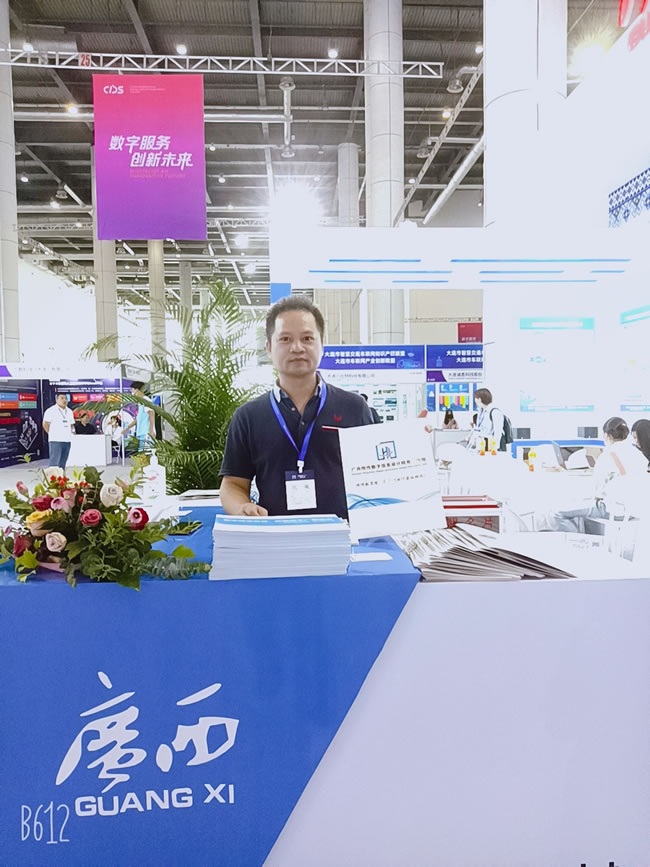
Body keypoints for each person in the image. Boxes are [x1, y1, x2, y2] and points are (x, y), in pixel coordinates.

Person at [220, 296, 374, 518]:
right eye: (285, 339)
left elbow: (377, 474)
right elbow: (233, 483)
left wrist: (412, 441)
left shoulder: (354, 407)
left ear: (322, 345)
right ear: (269, 348)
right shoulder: (248, 416)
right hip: (274, 534)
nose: (297, 347)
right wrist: (241, 507)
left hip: (341, 534)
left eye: (307, 338)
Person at [546, 417, 649, 533]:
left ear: (606, 435)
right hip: (634, 510)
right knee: (585, 510)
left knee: (558, 512)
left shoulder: (608, 455)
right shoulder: (639, 455)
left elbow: (596, 492)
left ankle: (578, 541)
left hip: (612, 510)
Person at [42, 393, 75, 469]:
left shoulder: (69, 411)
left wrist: (73, 432)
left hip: (67, 440)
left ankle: (61, 476)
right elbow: (45, 424)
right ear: (56, 400)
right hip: (55, 440)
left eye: (66, 398)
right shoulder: (51, 410)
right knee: (54, 462)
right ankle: (53, 476)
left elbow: (71, 424)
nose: (64, 400)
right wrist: (50, 433)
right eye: (62, 398)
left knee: (63, 462)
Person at [121, 382, 155, 452]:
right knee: (142, 454)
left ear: (137, 390)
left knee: (146, 454)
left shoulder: (146, 400)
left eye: (132, 391)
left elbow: (151, 414)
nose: (132, 393)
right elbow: (138, 419)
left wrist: (151, 431)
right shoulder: (140, 402)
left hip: (147, 433)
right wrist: (127, 428)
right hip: (142, 433)